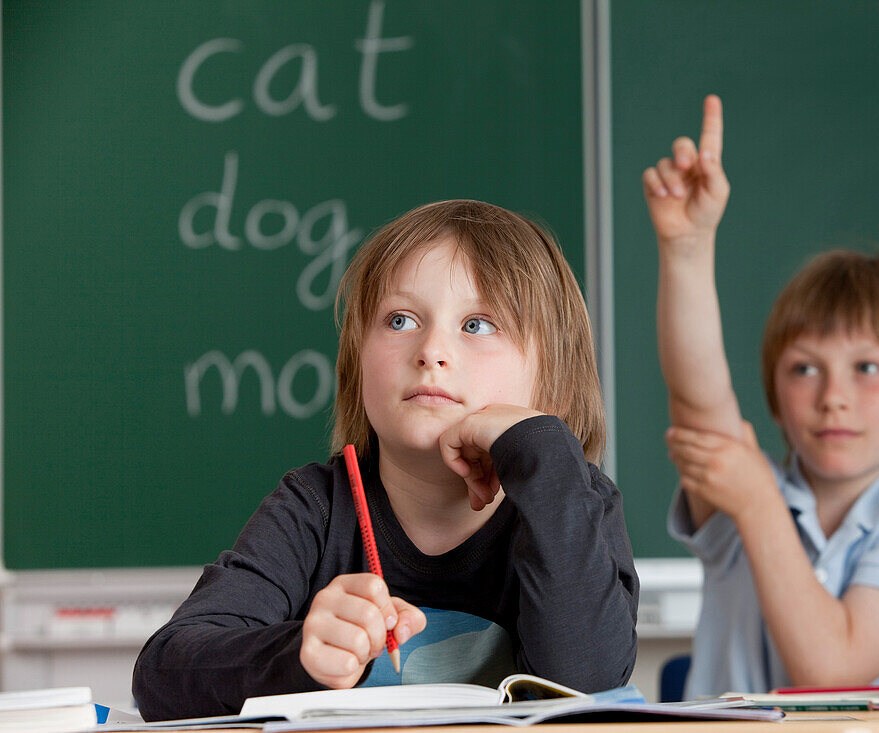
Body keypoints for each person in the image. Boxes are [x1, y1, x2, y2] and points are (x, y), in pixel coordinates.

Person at [133, 200, 639, 720]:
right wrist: (299, 655)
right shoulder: (316, 508)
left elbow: (588, 690)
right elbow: (163, 674)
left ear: (553, 377)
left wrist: (542, 449)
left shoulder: (578, 503)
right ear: (357, 363)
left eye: (479, 324)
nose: (431, 350)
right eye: (400, 319)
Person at [643, 96, 879, 696]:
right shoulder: (738, 481)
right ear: (773, 393)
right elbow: (696, 393)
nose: (834, 397)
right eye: (804, 369)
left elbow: (829, 670)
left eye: (868, 367)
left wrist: (757, 504)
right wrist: (687, 249)